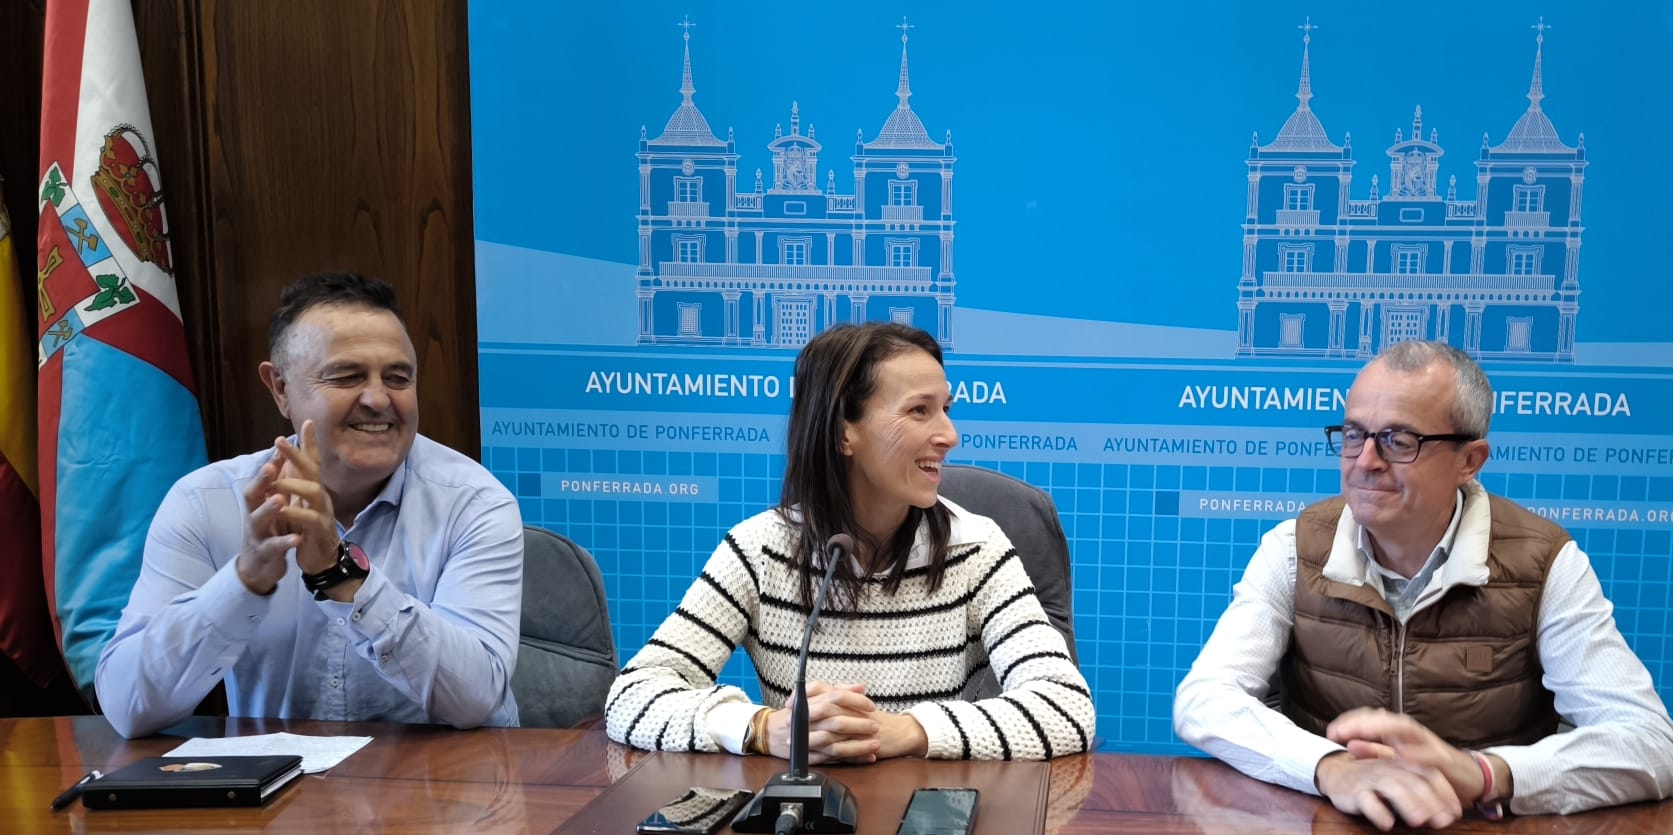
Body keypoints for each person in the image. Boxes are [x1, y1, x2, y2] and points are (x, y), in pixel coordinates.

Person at [1174, 340, 1673, 830]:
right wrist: (1331, 767)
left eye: (1399, 441)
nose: (1366, 462)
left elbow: (1650, 743)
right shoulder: (1294, 547)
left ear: (1470, 460)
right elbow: (1205, 699)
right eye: (1354, 435)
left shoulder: (1545, 562)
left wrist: (1485, 775)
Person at [605, 322, 1092, 761]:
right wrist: (760, 728)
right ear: (843, 433)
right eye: (920, 411)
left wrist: (909, 731)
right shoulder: (758, 550)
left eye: (945, 409)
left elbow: (1067, 709)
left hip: (930, 825)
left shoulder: (975, 547)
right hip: (801, 824)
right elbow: (632, 696)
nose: (949, 434)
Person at [95, 272, 523, 737]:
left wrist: (341, 576)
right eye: (346, 376)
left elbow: (477, 698)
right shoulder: (205, 503)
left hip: (448, 791)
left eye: (398, 378)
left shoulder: (475, 503)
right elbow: (127, 705)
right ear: (280, 388)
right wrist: (246, 580)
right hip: (278, 799)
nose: (379, 399)